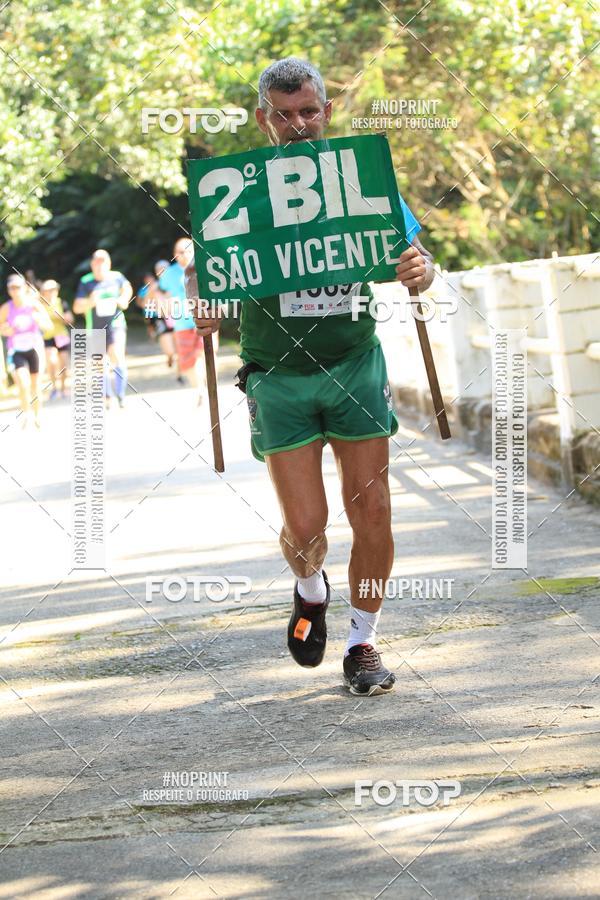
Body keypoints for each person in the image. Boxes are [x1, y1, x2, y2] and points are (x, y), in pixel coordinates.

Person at [189, 58, 436, 696]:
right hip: (278, 374)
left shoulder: (361, 178)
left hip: (355, 361)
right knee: (306, 528)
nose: (297, 124)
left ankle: (363, 641)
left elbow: (412, 252)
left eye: (308, 112)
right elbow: (211, 278)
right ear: (263, 118)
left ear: (325, 111)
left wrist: (421, 271)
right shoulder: (236, 190)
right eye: (283, 114)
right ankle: (309, 589)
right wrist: (206, 306)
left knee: (373, 509)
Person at [73, 249, 132, 408]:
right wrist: (90, 302)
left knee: (116, 354)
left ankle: (121, 395)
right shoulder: (86, 281)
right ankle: (107, 396)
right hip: (95, 327)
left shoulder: (117, 277)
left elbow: (127, 288)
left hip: (116, 324)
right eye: (96, 263)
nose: (99, 266)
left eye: (103, 262)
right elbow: (77, 308)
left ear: (109, 263)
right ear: (92, 265)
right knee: (99, 363)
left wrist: (123, 299)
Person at [158, 239, 211, 400]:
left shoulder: (204, 267)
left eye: (188, 250)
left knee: (204, 354)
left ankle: (205, 388)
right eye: (180, 252)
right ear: (175, 255)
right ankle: (201, 388)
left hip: (204, 318)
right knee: (187, 362)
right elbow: (162, 294)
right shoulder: (168, 273)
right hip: (181, 323)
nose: (185, 254)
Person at [0, 273, 52, 428]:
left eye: (18, 287)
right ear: (9, 290)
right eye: (12, 288)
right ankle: (27, 414)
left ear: (24, 288)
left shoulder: (34, 305)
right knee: (23, 383)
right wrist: (5, 330)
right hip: (16, 350)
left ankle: (38, 415)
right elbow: (1, 327)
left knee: (36, 385)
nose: (15, 290)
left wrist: (39, 320)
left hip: (34, 348)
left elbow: (48, 326)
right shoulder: (6, 308)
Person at [136, 261, 176, 370]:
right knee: (169, 347)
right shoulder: (154, 286)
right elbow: (145, 304)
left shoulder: (178, 281)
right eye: (160, 270)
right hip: (161, 318)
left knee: (180, 346)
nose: (163, 272)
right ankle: (170, 356)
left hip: (179, 317)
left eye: (165, 269)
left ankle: (180, 371)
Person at [40, 279, 73, 399]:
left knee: (63, 363)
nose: (52, 292)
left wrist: (59, 316)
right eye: (49, 290)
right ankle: (54, 387)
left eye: (54, 290)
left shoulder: (62, 303)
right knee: (51, 361)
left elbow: (70, 319)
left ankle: (64, 388)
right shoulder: (39, 305)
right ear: (43, 292)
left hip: (61, 335)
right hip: (47, 336)